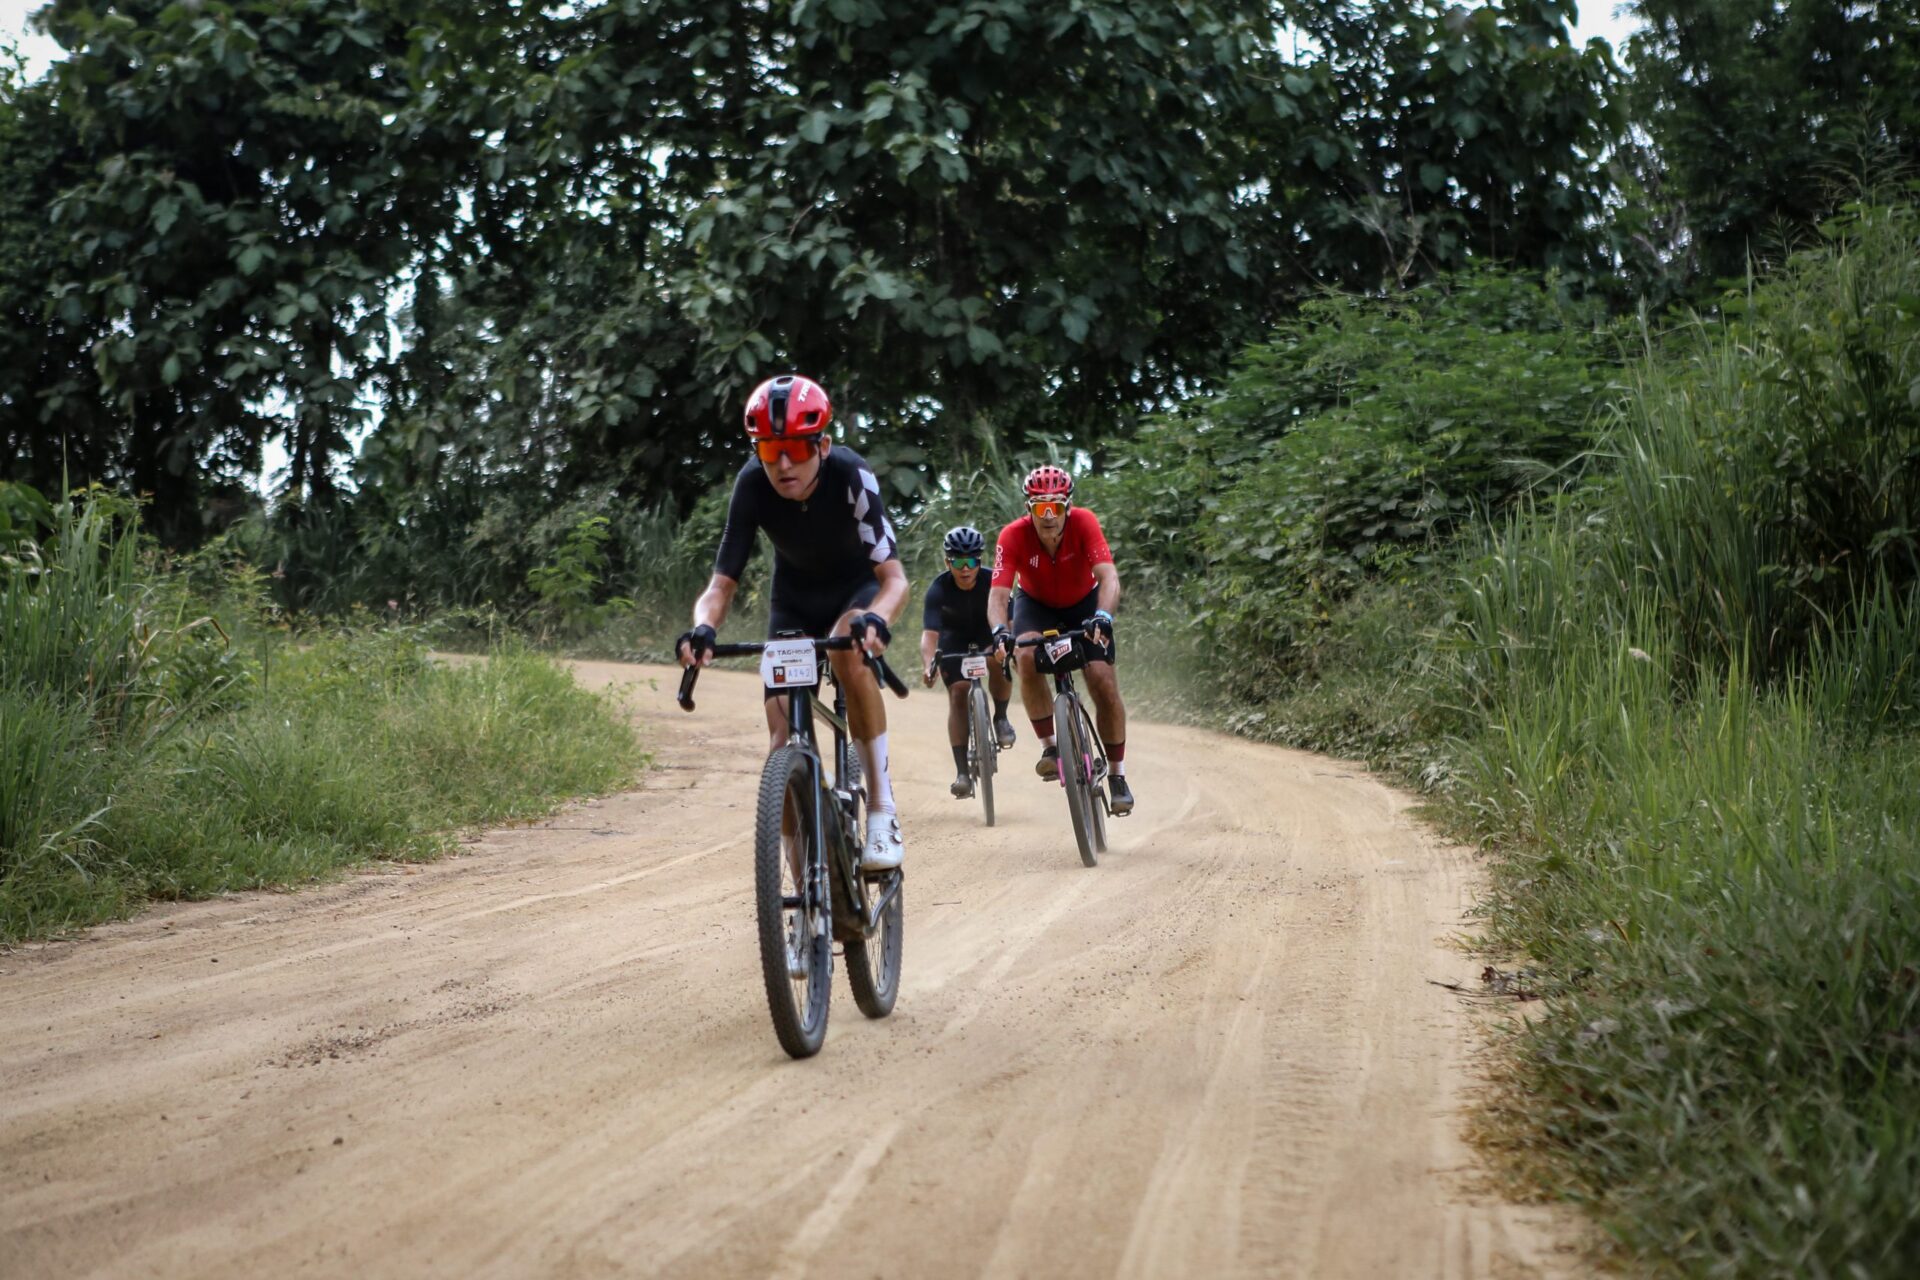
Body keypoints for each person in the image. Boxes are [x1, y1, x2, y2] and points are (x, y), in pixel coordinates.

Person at [675, 374, 911, 870]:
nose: (783, 464)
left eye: (797, 449)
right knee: (780, 738)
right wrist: (703, 629)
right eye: (770, 450)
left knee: (848, 651)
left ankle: (882, 810)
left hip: (855, 592)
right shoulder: (751, 484)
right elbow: (721, 586)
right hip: (794, 602)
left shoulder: (851, 473)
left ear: (822, 445)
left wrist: (877, 619)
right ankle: (802, 885)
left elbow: (894, 580)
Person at [987, 464, 1134, 815]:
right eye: (1041, 508)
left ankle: (1117, 775)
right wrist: (999, 632)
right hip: (1035, 605)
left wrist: (1104, 616)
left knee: (1102, 681)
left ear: (1068, 506)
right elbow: (998, 595)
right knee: (1025, 656)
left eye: (1055, 506)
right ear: (1029, 509)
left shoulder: (1084, 522)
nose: (1049, 516)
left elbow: (1109, 577)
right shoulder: (1012, 535)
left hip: (1084, 603)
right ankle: (1051, 747)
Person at [918, 524, 1018, 799]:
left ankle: (1000, 717)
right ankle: (962, 772)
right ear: (947, 562)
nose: (965, 569)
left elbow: (1011, 620)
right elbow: (929, 635)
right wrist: (928, 664)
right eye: (958, 562)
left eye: (971, 562)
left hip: (988, 634)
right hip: (953, 641)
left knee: (998, 660)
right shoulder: (938, 589)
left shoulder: (993, 581)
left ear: (979, 561)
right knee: (958, 693)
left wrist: (1011, 648)